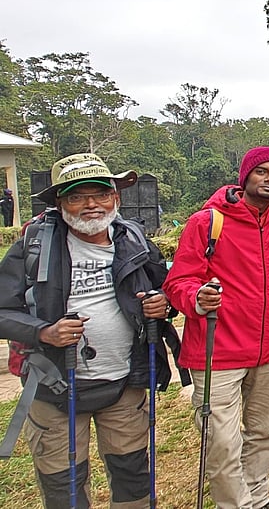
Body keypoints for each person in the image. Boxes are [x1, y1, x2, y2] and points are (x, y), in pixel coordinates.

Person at [0, 153, 175, 508]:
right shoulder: (35, 245)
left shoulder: (134, 239)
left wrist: (163, 305)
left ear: (116, 197)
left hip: (124, 382)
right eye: (77, 196)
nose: (91, 205)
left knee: (133, 477)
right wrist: (44, 332)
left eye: (100, 194)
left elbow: (165, 288)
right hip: (54, 386)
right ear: (60, 202)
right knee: (64, 485)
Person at [162, 147, 269, 509]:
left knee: (263, 432)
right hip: (218, 351)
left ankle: (258, 496)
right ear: (245, 176)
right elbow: (178, 282)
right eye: (262, 172)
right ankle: (235, 505)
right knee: (221, 441)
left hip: (268, 351)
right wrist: (197, 296)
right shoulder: (207, 222)